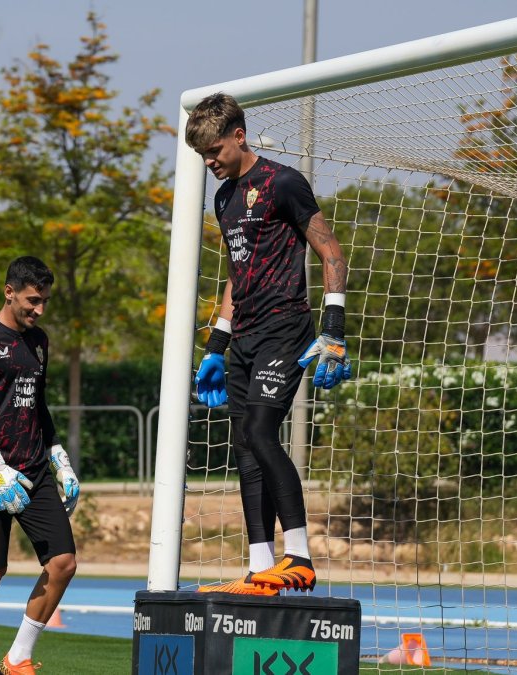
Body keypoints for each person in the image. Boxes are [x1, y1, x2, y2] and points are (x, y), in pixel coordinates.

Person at [186, 93, 352, 595]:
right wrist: (216, 344)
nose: (210, 162)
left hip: (287, 327)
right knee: (244, 445)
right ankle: (261, 567)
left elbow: (330, 249)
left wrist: (334, 329)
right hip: (247, 336)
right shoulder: (222, 198)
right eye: (203, 157)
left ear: (239, 135)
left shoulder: (283, 182)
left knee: (260, 431)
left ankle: (298, 555)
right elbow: (239, 275)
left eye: (215, 151)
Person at [0, 256, 81, 675]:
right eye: (32, 300)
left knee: (63, 563)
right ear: (9, 292)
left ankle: (18, 657)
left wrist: (58, 456)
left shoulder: (39, 341)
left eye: (44, 301)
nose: (39, 309)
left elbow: (37, 405)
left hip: (34, 469)